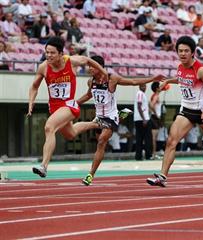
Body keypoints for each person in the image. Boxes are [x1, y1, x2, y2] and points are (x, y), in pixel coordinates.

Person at [146, 36, 203, 187]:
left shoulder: (201, 70)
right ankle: (162, 176)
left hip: (202, 111)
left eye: (186, 51)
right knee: (171, 141)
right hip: (186, 111)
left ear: (193, 53)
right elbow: (181, 79)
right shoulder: (180, 67)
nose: (182, 54)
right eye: (180, 51)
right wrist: (168, 81)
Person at [76, 55, 164, 185]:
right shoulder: (91, 81)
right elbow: (89, 95)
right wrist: (75, 103)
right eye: (88, 66)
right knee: (92, 137)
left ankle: (90, 175)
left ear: (98, 67)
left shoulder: (112, 79)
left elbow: (133, 82)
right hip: (99, 117)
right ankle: (122, 114)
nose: (89, 69)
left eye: (91, 66)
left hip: (110, 117)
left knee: (101, 142)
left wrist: (153, 79)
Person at [28, 37, 108, 178]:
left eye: (52, 53)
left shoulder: (71, 61)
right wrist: (31, 102)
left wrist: (103, 72)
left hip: (69, 104)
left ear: (60, 53)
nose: (49, 56)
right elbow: (34, 86)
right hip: (55, 107)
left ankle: (44, 166)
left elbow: (88, 60)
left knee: (49, 127)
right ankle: (96, 123)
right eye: (47, 52)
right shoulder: (43, 67)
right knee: (70, 134)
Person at [149, 82, 162, 160]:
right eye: (159, 86)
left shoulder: (154, 95)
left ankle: (153, 154)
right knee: (154, 138)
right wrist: (156, 114)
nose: (161, 87)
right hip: (155, 118)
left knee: (154, 138)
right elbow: (151, 105)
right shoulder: (156, 96)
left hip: (154, 117)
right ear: (157, 88)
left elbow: (150, 105)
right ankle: (153, 154)